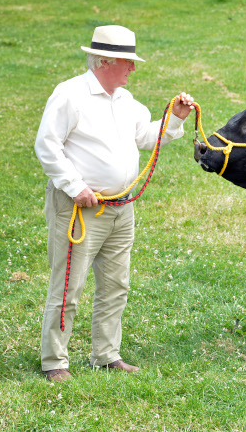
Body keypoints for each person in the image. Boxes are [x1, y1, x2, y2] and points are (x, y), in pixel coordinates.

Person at [35, 25, 194, 382]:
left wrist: (175, 120)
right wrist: (75, 187)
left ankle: (106, 354)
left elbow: (145, 137)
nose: (133, 69)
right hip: (79, 209)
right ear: (106, 61)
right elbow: (47, 146)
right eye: (128, 62)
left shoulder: (126, 101)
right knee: (68, 286)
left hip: (122, 208)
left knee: (116, 284)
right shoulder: (69, 95)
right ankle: (54, 361)